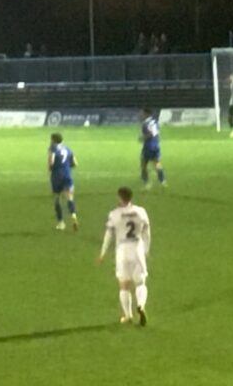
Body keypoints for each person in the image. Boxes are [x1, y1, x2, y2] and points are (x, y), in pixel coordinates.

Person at [97, 186, 151, 326]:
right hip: (137, 249)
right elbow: (147, 232)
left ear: (120, 198)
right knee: (140, 282)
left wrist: (102, 253)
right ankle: (141, 306)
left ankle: (128, 316)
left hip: (123, 251)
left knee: (124, 285)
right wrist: (146, 249)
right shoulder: (141, 212)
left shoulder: (114, 214)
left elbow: (108, 235)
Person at [48, 133, 79, 231]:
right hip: (67, 175)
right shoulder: (68, 149)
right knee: (70, 198)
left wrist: (50, 167)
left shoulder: (53, 148)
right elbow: (75, 163)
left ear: (53, 140)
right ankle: (73, 216)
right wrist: (67, 167)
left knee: (57, 199)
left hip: (57, 176)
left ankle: (61, 223)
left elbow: (51, 161)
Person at [139, 109, 167, 189]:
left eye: (142, 113)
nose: (140, 115)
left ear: (146, 114)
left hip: (148, 147)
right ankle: (162, 181)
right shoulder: (154, 122)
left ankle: (147, 183)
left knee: (143, 164)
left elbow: (151, 134)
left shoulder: (146, 123)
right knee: (157, 164)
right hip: (156, 146)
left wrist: (143, 138)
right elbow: (157, 133)